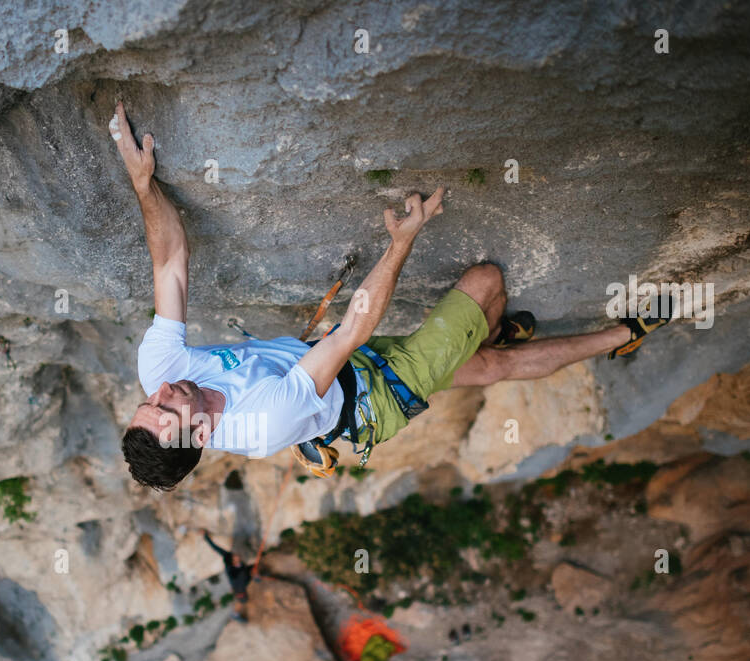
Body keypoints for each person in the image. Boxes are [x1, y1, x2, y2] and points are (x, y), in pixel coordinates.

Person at [111, 102, 673, 491]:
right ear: (201, 433)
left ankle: (520, 337)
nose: (159, 389)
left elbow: (170, 263)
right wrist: (401, 242)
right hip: (374, 391)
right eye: (165, 407)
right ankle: (621, 334)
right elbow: (352, 331)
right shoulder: (262, 422)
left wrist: (143, 185)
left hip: (324, 374)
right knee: (486, 284)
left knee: (486, 366)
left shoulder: (161, 370)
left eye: (149, 400)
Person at [202, 529, 252, 622]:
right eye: (236, 557)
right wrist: (206, 537)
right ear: (233, 560)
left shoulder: (239, 563)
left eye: (237, 556)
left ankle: (236, 613)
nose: (237, 556)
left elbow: (245, 572)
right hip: (239, 585)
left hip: (240, 584)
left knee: (242, 599)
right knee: (242, 600)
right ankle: (235, 614)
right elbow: (215, 548)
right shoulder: (230, 564)